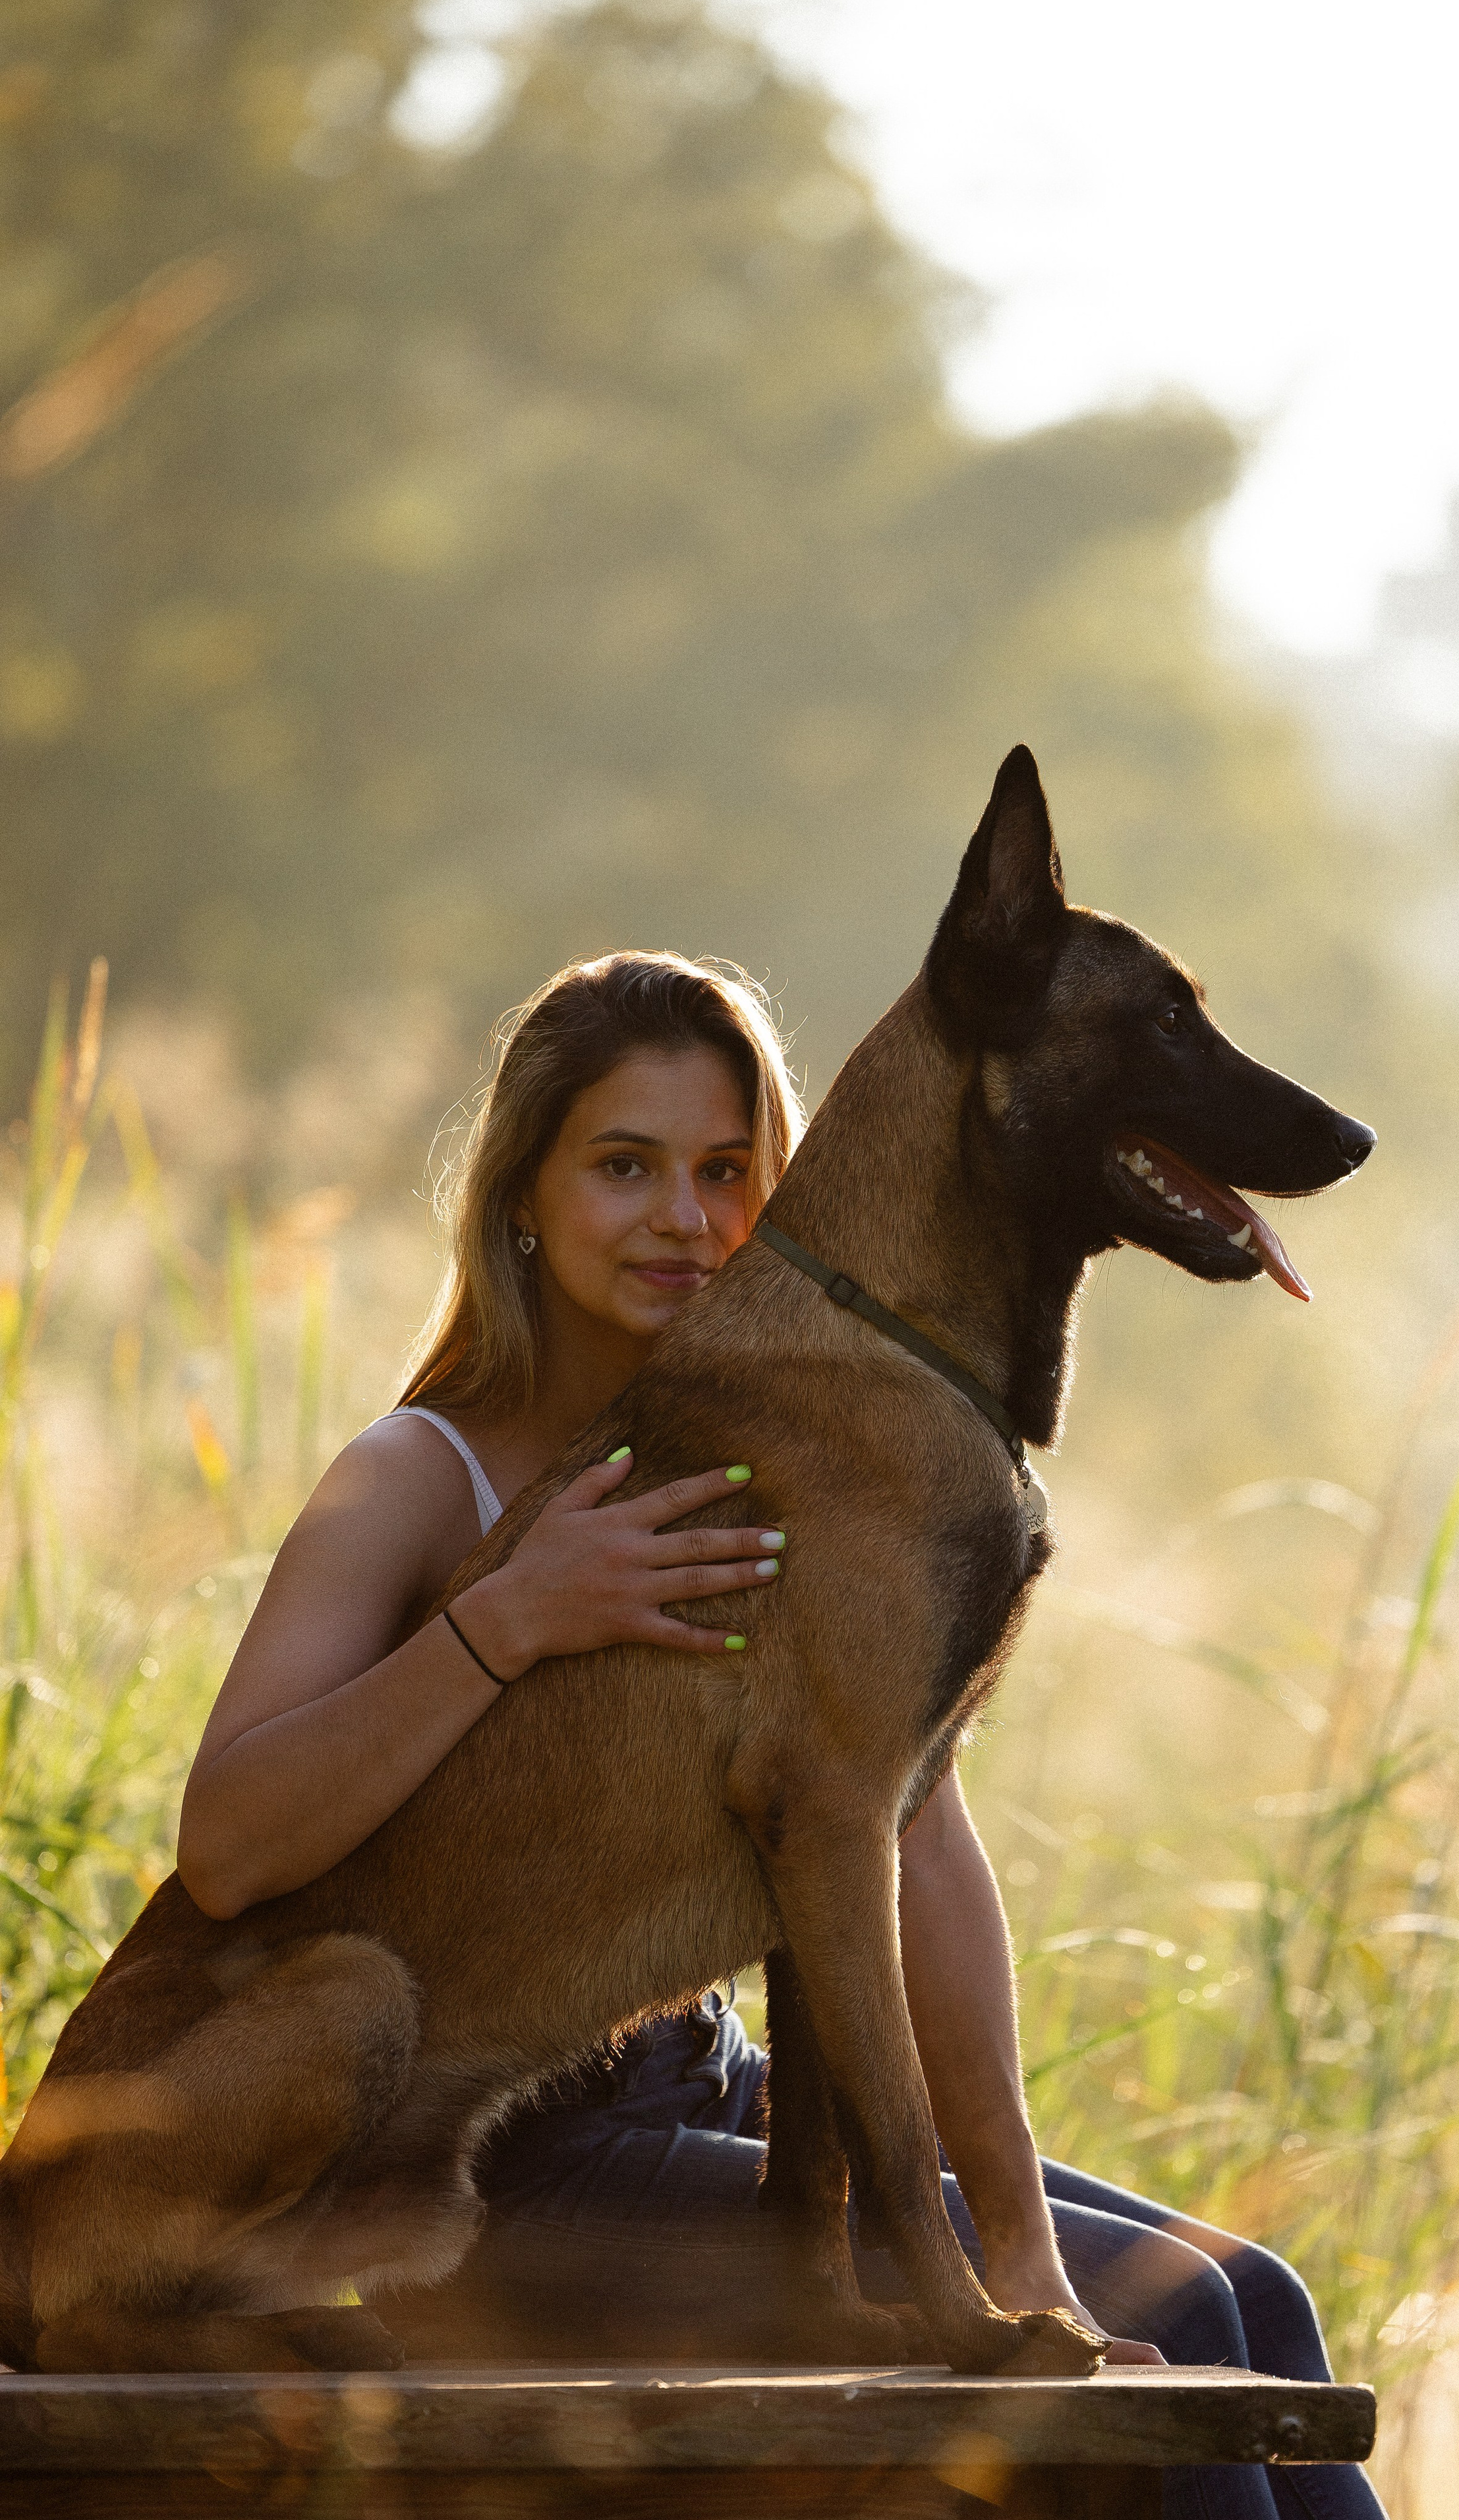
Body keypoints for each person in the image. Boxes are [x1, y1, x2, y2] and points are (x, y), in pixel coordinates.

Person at [177, 950, 1388, 2520]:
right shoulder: (421, 1474)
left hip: (721, 2103)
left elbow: (916, 1845)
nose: (685, 1217)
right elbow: (228, 1846)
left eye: (727, 1169)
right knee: (1164, 2354)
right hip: (507, 2162)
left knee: (1251, 2296)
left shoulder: (799, 1452)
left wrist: (1018, 2240)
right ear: (524, 1192)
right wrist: (507, 1617)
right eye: (625, 1166)